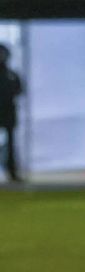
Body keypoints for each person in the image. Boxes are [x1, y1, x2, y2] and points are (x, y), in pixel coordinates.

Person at [0, 43, 23, 183]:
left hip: (8, 113)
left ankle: (12, 172)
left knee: (11, 145)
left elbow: (19, 90)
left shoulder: (12, 75)